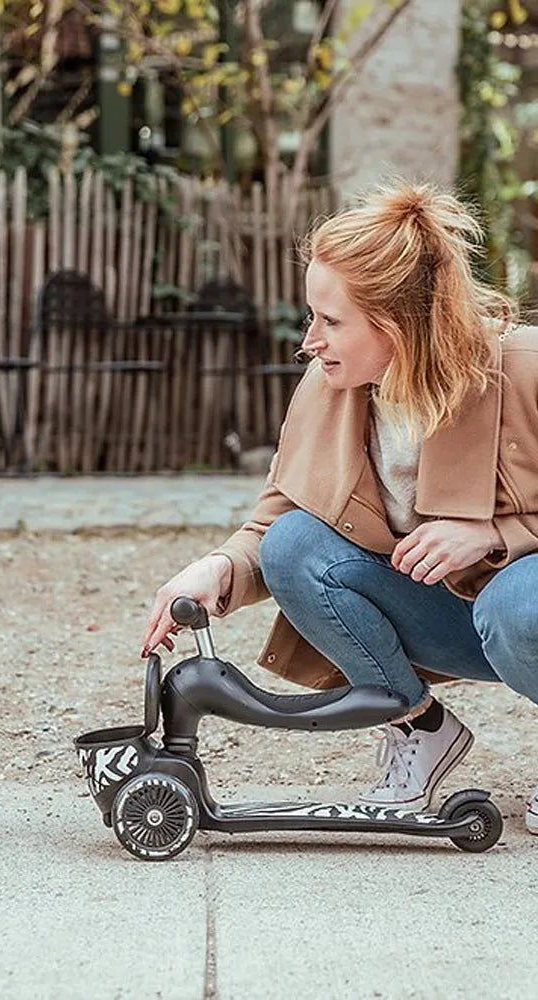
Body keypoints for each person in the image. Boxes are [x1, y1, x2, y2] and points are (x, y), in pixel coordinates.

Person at [143, 181, 538, 828]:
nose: (310, 340)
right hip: (452, 618)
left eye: (331, 321)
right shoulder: (333, 385)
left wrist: (496, 533)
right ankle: (418, 728)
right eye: (311, 317)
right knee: (293, 546)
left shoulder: (523, 365)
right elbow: (278, 514)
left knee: (514, 603)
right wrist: (218, 569)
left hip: (522, 610)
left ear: (397, 324)